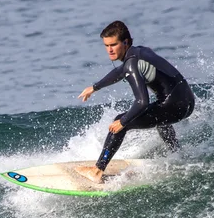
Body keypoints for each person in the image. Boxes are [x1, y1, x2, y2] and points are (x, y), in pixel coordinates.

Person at [75, 20, 195, 183]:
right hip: (187, 102)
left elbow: (142, 102)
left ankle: (97, 170)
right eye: (106, 45)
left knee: (118, 123)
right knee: (160, 117)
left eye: (113, 45)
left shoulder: (132, 64)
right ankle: (176, 153)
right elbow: (120, 71)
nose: (109, 50)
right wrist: (95, 87)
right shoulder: (140, 52)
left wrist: (123, 122)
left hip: (175, 106)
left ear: (125, 42)